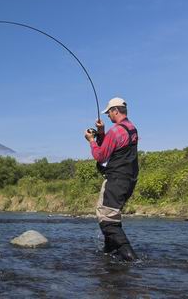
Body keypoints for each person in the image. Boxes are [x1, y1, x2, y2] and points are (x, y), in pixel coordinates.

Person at [84, 97, 139, 261]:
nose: (107, 115)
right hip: (130, 180)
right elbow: (114, 146)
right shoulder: (132, 128)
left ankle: (132, 259)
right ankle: (109, 252)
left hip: (116, 180)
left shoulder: (115, 132)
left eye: (109, 112)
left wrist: (92, 140)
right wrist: (101, 132)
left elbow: (100, 156)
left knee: (107, 219)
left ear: (115, 111)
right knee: (113, 215)